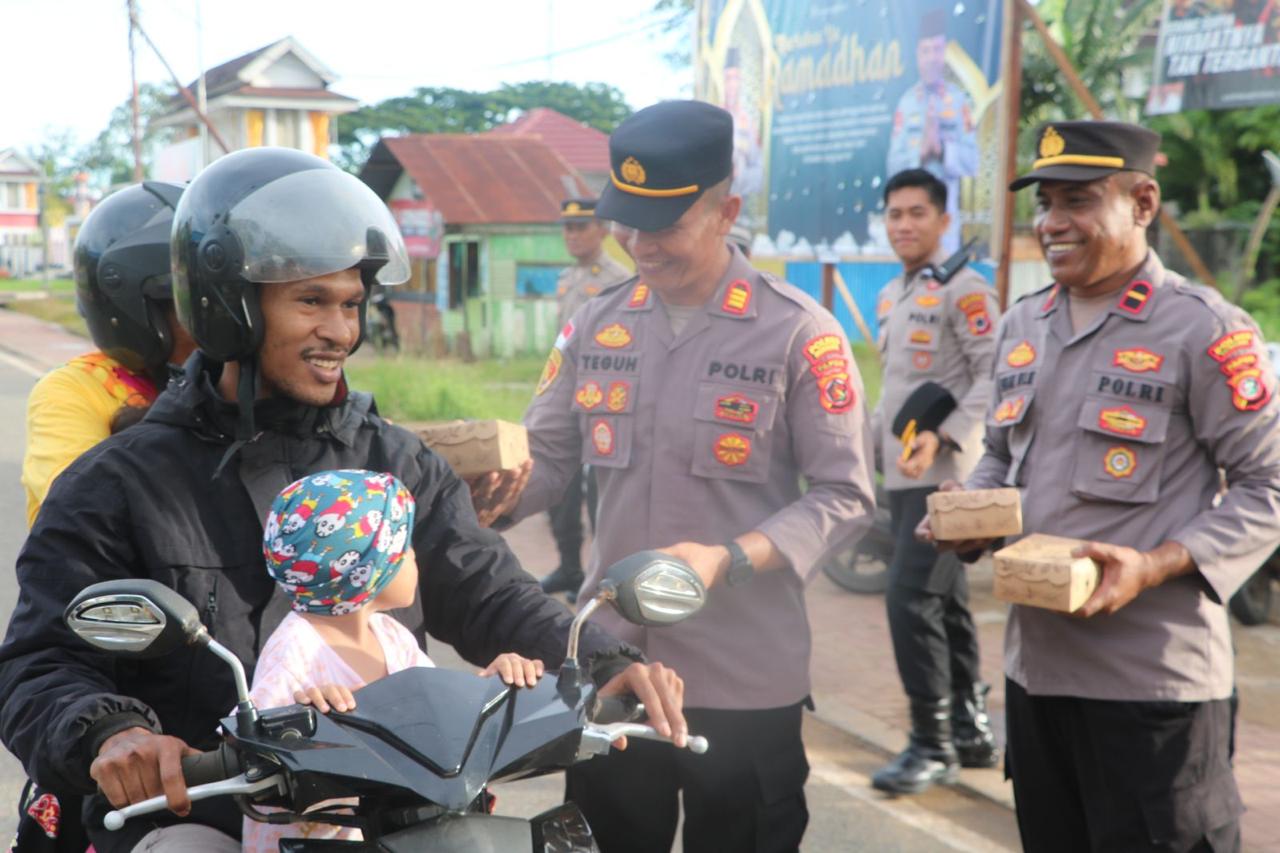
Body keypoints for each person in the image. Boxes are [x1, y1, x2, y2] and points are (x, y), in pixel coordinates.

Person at [0, 147, 687, 853]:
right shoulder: (120, 483)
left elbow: (485, 586)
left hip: (393, 816)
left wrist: (605, 661)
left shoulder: (395, 460)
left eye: (352, 304)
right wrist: (113, 731)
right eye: (311, 300)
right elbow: (40, 659)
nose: (342, 331)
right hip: (204, 818)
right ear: (229, 305)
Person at [477, 100, 876, 853]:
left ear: (726, 211)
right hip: (616, 671)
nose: (639, 244)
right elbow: (550, 460)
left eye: (663, 224)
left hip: (745, 684)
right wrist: (486, 494)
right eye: (627, 222)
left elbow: (846, 495)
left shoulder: (798, 332)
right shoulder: (596, 323)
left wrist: (728, 558)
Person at [921, 120, 1280, 851]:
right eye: (1045, 203)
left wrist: (1156, 562)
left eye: (1077, 200)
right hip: (1036, 678)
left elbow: (1267, 486)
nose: (1052, 223)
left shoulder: (1202, 328)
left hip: (1153, 690)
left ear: (1143, 201)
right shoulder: (1024, 323)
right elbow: (997, 454)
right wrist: (973, 510)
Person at [12, 181, 198, 853]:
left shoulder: (246, 382)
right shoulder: (79, 388)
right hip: (111, 681)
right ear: (137, 303)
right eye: (190, 298)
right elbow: (63, 497)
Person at [243, 469, 544, 852]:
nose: (416, 557)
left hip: (405, 837)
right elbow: (254, 754)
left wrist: (493, 686)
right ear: (365, 570)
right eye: (405, 549)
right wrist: (303, 719)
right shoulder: (294, 651)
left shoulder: (391, 636)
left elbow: (441, 718)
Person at [869, 168, 1000, 795]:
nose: (904, 225)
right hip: (903, 478)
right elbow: (893, 390)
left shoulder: (966, 291)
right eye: (894, 214)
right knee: (945, 603)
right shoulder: (894, 294)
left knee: (910, 600)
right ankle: (971, 734)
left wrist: (945, 436)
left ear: (944, 222)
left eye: (917, 213)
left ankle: (932, 743)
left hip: (951, 480)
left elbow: (994, 375)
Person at [21, 181, 197, 529]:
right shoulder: (75, 391)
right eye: (191, 309)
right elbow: (73, 514)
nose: (217, 327)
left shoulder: (237, 377)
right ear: (135, 313)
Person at [540, 198, 630, 601]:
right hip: (567, 397)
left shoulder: (619, 278)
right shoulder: (566, 276)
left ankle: (600, 576)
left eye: (582, 227)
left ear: (604, 230)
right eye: (567, 228)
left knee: (600, 493)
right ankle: (570, 567)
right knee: (559, 486)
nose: (573, 235)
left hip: (605, 401)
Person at [886, 7, 979, 254]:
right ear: (918, 55)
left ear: (944, 53)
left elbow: (973, 162)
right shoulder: (906, 104)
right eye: (926, 51)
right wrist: (921, 153)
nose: (931, 58)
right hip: (909, 223)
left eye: (937, 50)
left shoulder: (959, 102)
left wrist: (942, 150)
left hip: (945, 217)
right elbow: (892, 167)